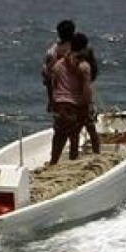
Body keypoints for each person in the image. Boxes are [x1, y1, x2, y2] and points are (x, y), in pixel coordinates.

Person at [48, 32, 94, 165]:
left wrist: (52, 101)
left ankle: (53, 161)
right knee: (74, 134)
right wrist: (89, 105)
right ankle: (73, 161)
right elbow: (86, 89)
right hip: (74, 104)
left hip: (59, 104)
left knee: (59, 135)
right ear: (84, 48)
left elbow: (54, 85)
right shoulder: (83, 66)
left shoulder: (58, 64)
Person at [42, 19, 76, 113]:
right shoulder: (79, 51)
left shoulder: (52, 52)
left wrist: (50, 101)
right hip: (78, 98)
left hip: (60, 100)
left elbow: (47, 79)